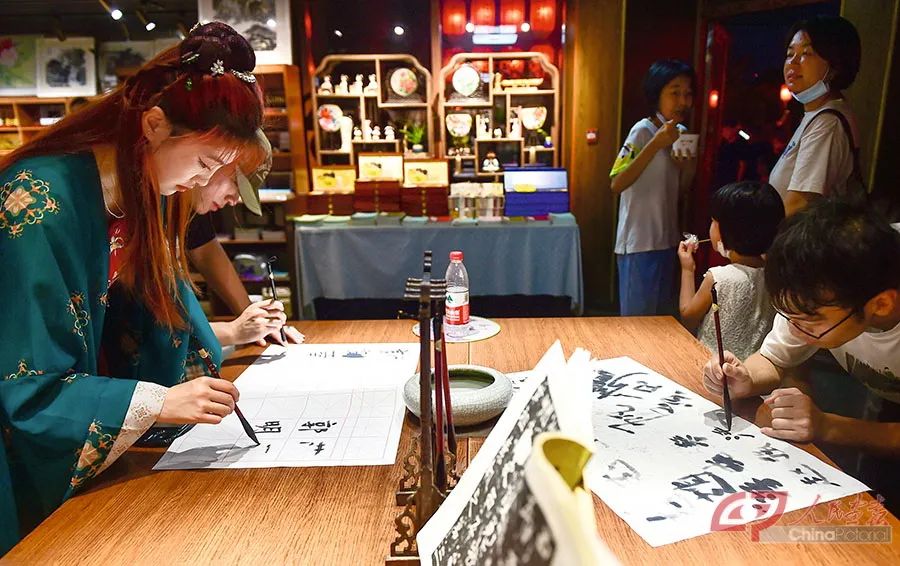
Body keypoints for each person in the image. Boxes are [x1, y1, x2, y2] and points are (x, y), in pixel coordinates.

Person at [0, 22, 276, 553]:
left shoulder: (132, 195)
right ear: (153, 124)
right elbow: (28, 386)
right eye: (205, 163)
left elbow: (155, 326)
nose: (204, 183)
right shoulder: (38, 202)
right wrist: (157, 401)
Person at [702, 200, 900, 507]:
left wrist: (827, 425)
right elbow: (774, 357)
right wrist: (745, 377)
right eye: (789, 317)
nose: (795, 331)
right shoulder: (812, 292)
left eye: (808, 322)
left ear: (881, 305)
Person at [185, 131, 303, 346]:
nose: (234, 200)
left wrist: (256, 321)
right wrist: (233, 331)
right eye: (235, 183)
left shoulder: (191, 206)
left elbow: (205, 249)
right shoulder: (152, 202)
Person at [610, 59, 697, 316]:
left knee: (660, 321)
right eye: (675, 93)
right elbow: (616, 183)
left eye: (688, 94)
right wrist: (655, 144)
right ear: (657, 95)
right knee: (636, 324)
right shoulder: (642, 131)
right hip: (639, 242)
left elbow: (677, 192)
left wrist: (688, 168)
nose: (683, 101)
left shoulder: (681, 133)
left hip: (667, 241)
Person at [678, 181, 784, 359]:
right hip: (753, 369)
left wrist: (687, 269)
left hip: (713, 367)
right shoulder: (777, 276)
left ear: (727, 231)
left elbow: (688, 319)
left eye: (713, 221)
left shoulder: (719, 278)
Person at [768, 15, 862, 216]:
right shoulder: (815, 115)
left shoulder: (827, 122)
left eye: (806, 53)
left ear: (835, 65)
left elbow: (798, 204)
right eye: (790, 53)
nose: (793, 62)